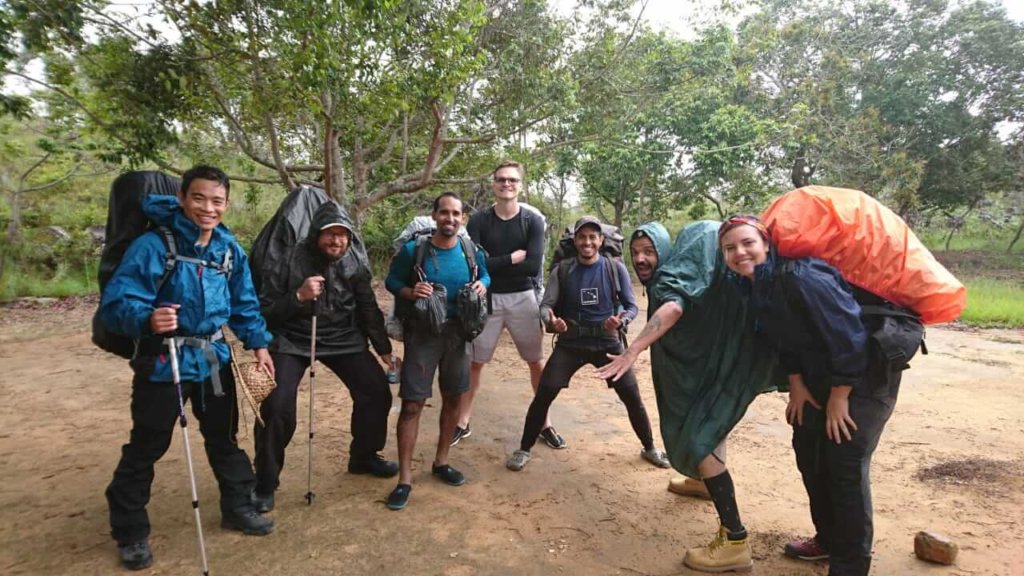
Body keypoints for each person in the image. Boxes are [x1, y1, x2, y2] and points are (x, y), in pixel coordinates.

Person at [100, 166, 275, 571]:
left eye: (217, 201)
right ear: (182, 198)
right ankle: (130, 531)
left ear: (226, 204)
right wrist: (148, 318)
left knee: (224, 438)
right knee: (149, 443)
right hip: (165, 361)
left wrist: (259, 343)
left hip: (214, 359)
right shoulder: (152, 245)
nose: (208, 208)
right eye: (199, 198)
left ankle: (237, 506)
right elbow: (116, 302)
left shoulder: (229, 250)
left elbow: (244, 303)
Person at [719, 215, 903, 576]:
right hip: (817, 377)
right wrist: (796, 382)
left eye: (747, 243)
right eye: (729, 248)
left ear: (767, 245)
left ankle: (849, 566)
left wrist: (840, 396)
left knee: (844, 465)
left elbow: (849, 336)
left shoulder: (802, 277)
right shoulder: (753, 285)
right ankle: (828, 540)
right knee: (809, 451)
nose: (739, 252)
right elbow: (781, 337)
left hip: (863, 377)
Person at [597, 221, 782, 573]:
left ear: (665, 250)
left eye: (649, 251)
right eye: (635, 252)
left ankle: (735, 539)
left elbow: (674, 308)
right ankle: (701, 482)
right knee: (707, 427)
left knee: (700, 438)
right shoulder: (702, 276)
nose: (641, 259)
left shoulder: (675, 277)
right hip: (708, 366)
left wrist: (631, 350)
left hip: (720, 370)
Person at [252, 201, 398, 513]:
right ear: (316, 234)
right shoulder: (288, 259)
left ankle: (363, 455)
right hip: (292, 339)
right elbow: (264, 312)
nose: (336, 241)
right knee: (277, 407)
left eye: (342, 235)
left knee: (375, 391)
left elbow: (368, 308)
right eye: (330, 234)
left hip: (342, 338)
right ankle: (265, 481)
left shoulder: (355, 262)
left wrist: (383, 347)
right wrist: (298, 297)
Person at [505, 216, 670, 473]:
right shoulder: (563, 270)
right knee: (544, 393)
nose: (587, 242)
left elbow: (630, 305)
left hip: (607, 343)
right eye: (582, 237)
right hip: (571, 342)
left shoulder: (615, 269)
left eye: (593, 237)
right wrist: (552, 320)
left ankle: (649, 447)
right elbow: (546, 305)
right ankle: (524, 448)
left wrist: (621, 320)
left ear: (601, 241)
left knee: (632, 396)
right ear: (575, 241)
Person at [384, 192, 490, 510]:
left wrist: (483, 283)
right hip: (423, 335)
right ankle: (404, 479)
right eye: (444, 213)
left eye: (456, 214)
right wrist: (409, 290)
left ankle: (441, 461)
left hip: (459, 333)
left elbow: (484, 274)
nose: (450, 219)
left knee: (454, 398)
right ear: (434, 216)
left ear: (462, 218)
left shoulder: (470, 250)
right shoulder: (415, 250)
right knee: (413, 404)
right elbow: (391, 280)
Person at [455, 161, 560, 448]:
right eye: (501, 180)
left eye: (512, 180)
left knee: (536, 362)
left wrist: (495, 264)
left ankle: (544, 422)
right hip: (486, 297)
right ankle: (463, 421)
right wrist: (510, 259)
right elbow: (474, 264)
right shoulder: (478, 221)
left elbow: (531, 266)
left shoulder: (532, 221)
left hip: (523, 297)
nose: (506, 184)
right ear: (494, 184)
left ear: (520, 185)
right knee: (475, 362)